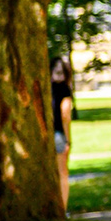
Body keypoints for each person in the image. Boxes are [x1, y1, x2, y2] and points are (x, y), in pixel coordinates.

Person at [50, 56, 75, 210]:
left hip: (46, 136)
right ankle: (63, 208)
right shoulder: (65, 90)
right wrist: (68, 139)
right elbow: (65, 114)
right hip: (59, 135)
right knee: (62, 174)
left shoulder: (46, 89)